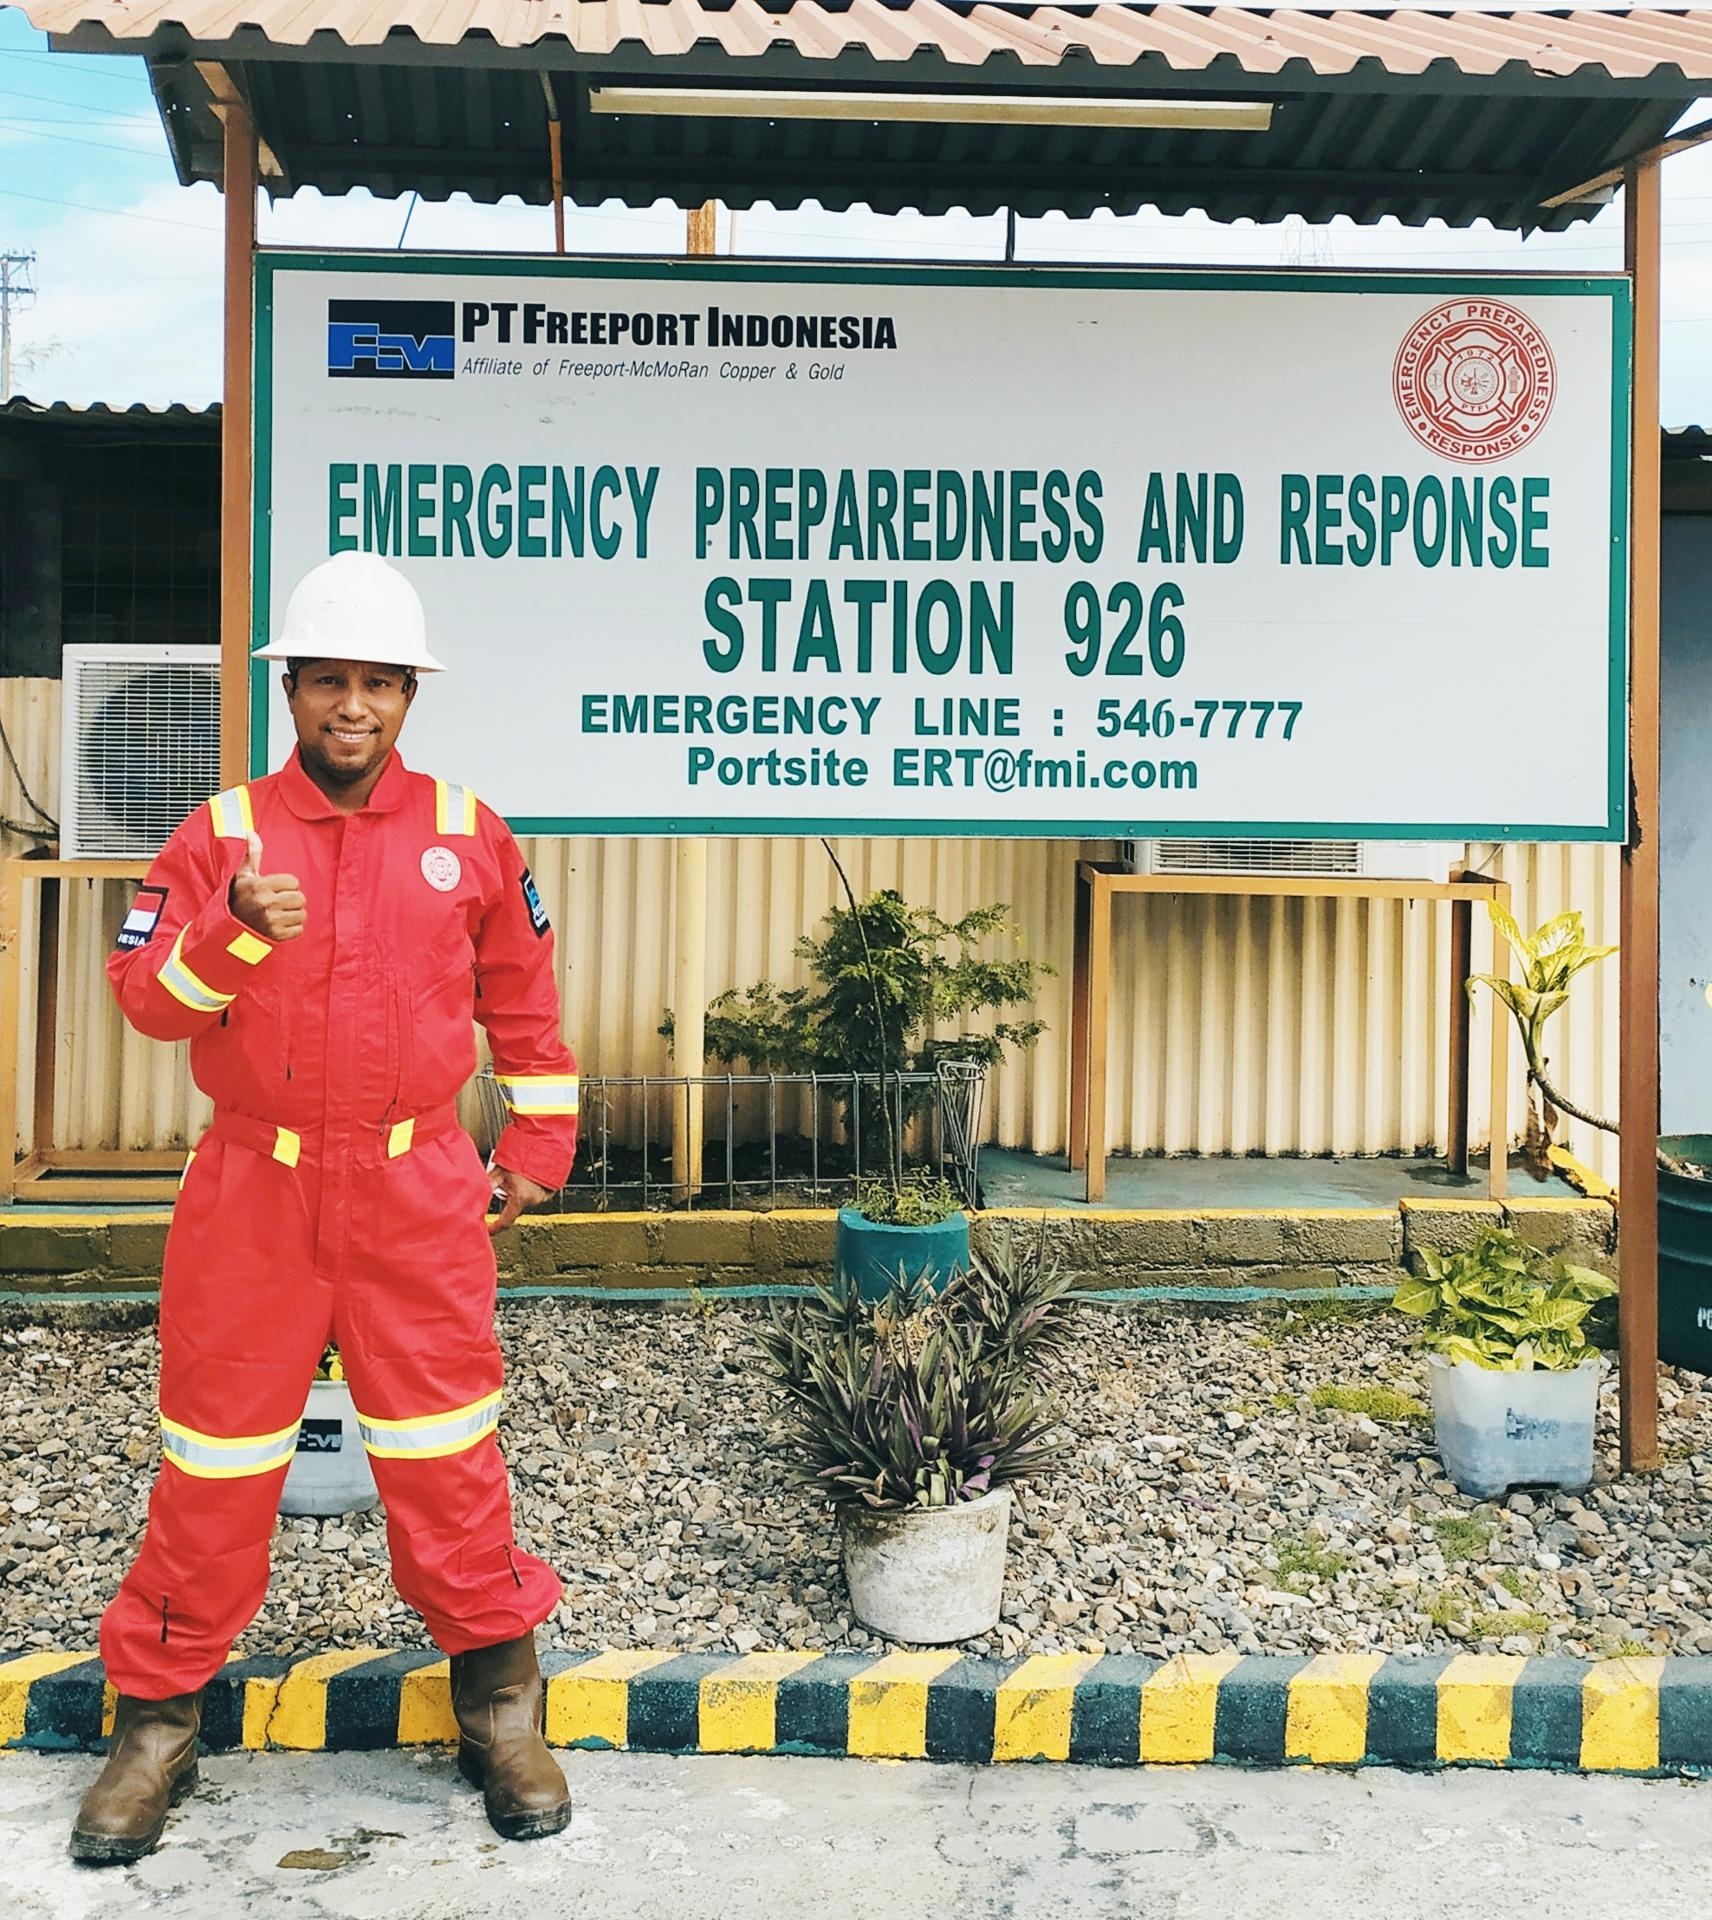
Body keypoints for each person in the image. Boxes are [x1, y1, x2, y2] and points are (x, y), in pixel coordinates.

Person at [70, 552, 579, 1864]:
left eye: (380, 682)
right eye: (329, 680)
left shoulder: (469, 833)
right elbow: (145, 1005)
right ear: (288, 688)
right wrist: (232, 929)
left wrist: (537, 1140)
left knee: (448, 1453)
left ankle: (500, 1706)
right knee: (215, 1462)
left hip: (417, 1189)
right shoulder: (221, 836)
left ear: (411, 694)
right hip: (257, 1189)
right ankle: (156, 1727)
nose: (354, 705)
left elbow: (522, 995)